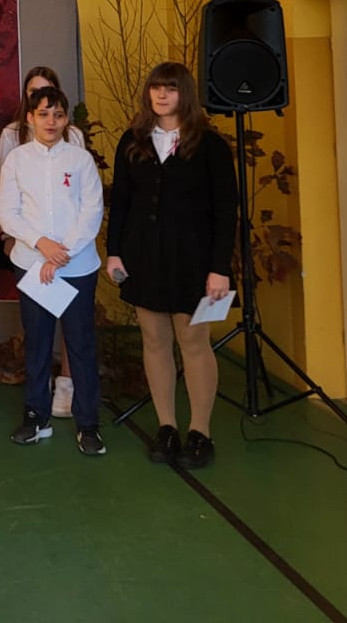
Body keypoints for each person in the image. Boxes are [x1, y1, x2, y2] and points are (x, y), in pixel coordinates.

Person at [106, 62, 237, 469]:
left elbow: (225, 210)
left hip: (194, 260)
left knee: (193, 342)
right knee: (154, 340)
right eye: (156, 88)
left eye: (171, 88)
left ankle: (200, 431)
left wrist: (219, 267)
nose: (161, 95)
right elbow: (121, 201)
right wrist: (114, 253)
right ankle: (167, 426)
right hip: (143, 255)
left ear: (186, 94)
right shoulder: (133, 140)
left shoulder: (210, 145)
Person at [0, 85, 106, 455]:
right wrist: (41, 244)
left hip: (77, 267)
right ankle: (36, 418)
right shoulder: (17, 160)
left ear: (65, 120)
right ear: (30, 118)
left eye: (58, 115)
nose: (51, 122)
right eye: (43, 114)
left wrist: (62, 253)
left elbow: (91, 211)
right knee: (38, 343)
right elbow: (8, 212)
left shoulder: (80, 160)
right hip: (31, 265)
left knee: (81, 345)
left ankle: (88, 424)